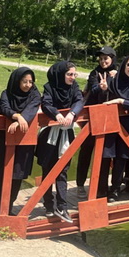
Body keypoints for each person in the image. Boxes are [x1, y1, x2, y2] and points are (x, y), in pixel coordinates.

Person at [36, 61, 83, 223]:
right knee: (48, 169)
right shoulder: (50, 87)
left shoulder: (74, 87)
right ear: (61, 74)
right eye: (69, 74)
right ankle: (48, 204)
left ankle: (62, 206)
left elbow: (79, 101)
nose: (72, 77)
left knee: (63, 170)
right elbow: (46, 103)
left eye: (74, 74)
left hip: (66, 134)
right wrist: (56, 114)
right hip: (49, 134)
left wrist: (71, 113)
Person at [96, 55, 129, 202]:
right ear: (124, 65)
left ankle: (115, 190)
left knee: (121, 158)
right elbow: (102, 102)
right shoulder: (113, 81)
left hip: (126, 126)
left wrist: (121, 101)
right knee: (105, 157)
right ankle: (101, 188)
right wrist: (103, 90)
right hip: (108, 124)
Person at [0, 67, 41, 214]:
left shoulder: (34, 95)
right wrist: (17, 117)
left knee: (18, 173)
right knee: (3, 173)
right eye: (24, 81)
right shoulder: (7, 93)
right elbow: (4, 107)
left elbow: (32, 108)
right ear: (17, 81)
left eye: (30, 82)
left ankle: (8, 206)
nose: (28, 85)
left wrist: (22, 119)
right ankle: (1, 207)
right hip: (5, 140)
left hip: (24, 142)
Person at [75, 46, 118, 199]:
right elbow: (92, 90)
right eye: (100, 58)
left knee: (106, 154)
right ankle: (80, 184)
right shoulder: (95, 73)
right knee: (86, 151)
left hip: (108, 119)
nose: (103, 61)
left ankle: (102, 188)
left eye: (106, 58)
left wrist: (113, 80)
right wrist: (100, 87)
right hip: (92, 118)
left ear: (112, 59)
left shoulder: (118, 73)